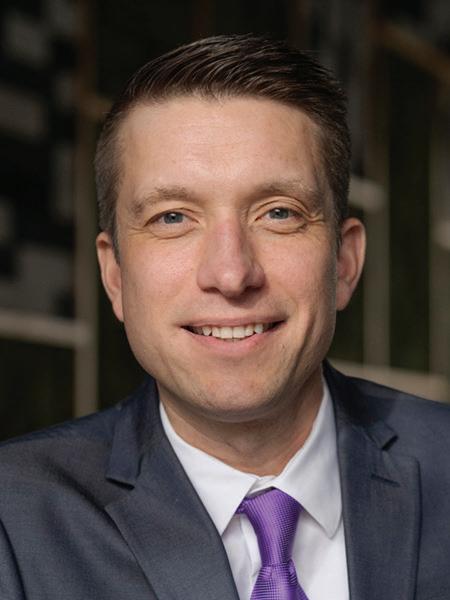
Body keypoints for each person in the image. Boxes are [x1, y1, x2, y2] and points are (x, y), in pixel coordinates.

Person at [1, 34, 449, 600]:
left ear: (344, 262)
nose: (231, 274)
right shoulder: (13, 520)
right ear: (115, 276)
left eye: (278, 213)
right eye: (172, 218)